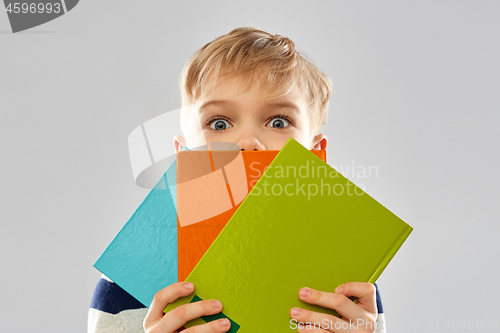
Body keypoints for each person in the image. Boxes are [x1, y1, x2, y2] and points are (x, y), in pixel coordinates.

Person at [89, 27, 386, 333]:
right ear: (184, 156)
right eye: (218, 123)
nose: (247, 143)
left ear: (314, 154)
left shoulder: (347, 289)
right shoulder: (124, 288)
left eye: (278, 121)